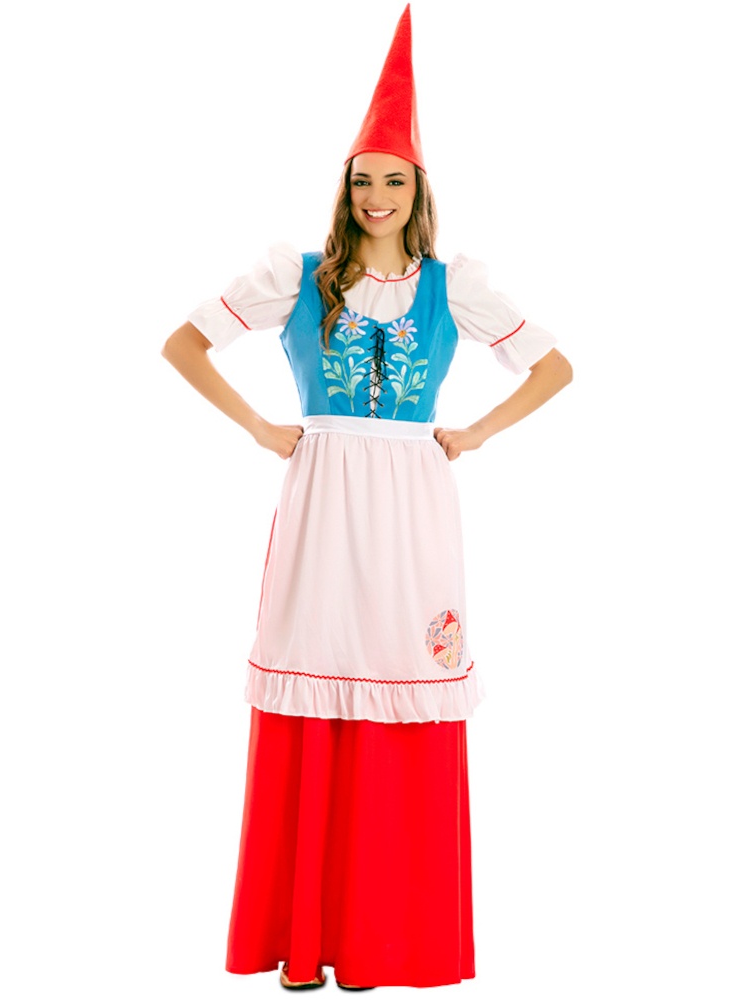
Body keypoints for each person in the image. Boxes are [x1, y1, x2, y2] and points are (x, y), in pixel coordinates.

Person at [161, 5, 572, 991]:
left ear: (418, 190)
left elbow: (554, 367)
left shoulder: (452, 286)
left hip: (413, 503)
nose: (377, 196)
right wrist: (261, 427)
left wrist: (474, 432)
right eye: (362, 181)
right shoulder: (301, 277)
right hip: (321, 495)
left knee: (404, 672)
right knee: (314, 666)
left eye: (393, 180)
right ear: (344, 191)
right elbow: (183, 344)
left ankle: (383, 940)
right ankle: (306, 938)